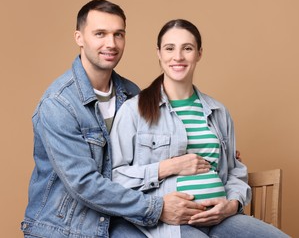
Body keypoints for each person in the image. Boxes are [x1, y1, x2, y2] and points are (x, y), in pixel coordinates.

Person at [21, 0, 206, 238]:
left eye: (118, 34)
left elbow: (153, 149)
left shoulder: (132, 94)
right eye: (100, 34)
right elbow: (84, 184)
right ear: (79, 37)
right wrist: (157, 208)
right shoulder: (59, 104)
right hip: (66, 228)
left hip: (119, 220)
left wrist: (214, 151)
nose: (111, 44)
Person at [110, 19, 289, 237]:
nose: (178, 57)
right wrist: (170, 166)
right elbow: (116, 177)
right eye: (169, 48)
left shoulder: (218, 112)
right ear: (159, 53)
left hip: (221, 218)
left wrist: (231, 205)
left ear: (199, 54)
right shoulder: (133, 111)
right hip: (172, 223)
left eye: (187, 48)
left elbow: (235, 171)